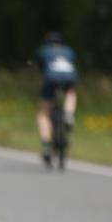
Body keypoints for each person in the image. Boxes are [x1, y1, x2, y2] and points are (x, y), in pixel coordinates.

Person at [35, 31, 78, 167]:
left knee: (43, 114)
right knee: (70, 93)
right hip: (69, 78)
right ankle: (68, 114)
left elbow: (41, 68)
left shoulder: (44, 51)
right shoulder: (69, 51)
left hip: (50, 79)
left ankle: (46, 146)